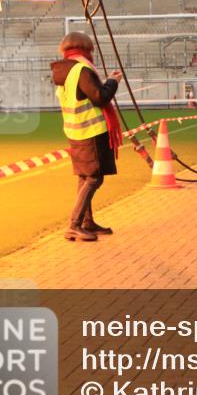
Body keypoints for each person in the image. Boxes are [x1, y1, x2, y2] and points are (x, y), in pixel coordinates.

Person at [50, 32, 123, 242]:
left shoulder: (65, 70)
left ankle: (86, 222)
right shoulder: (82, 69)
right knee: (94, 177)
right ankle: (74, 225)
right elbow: (100, 97)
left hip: (75, 131)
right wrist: (113, 81)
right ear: (86, 48)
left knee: (84, 176)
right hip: (90, 132)